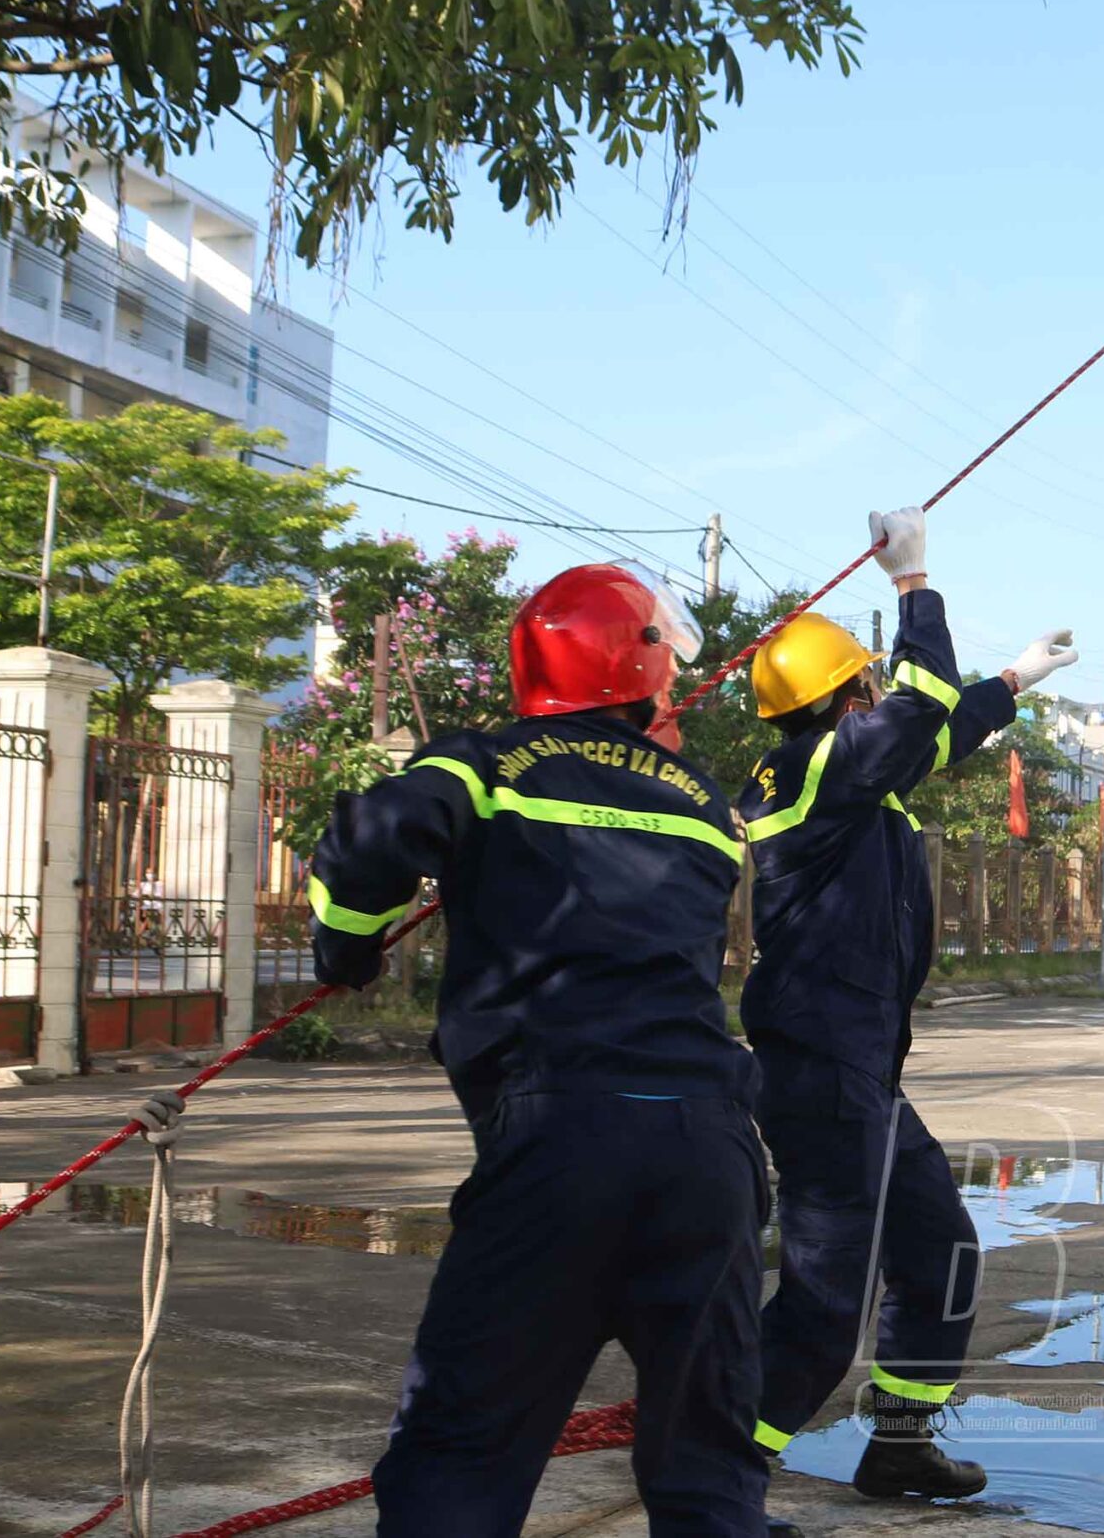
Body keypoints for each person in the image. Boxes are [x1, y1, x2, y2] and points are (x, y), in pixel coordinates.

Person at [306, 561, 771, 1538]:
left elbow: (370, 835)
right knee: (707, 1465)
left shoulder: (486, 764)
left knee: (463, 1454)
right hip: (707, 1153)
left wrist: (347, 944)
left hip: (560, 1143)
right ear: (637, 665)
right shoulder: (699, 795)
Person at [737, 507, 1077, 1505]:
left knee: (943, 1253)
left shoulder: (850, 779)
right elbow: (920, 710)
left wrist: (1013, 681)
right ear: (847, 694)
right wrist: (912, 583)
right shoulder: (812, 773)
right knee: (825, 1292)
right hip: (816, 1065)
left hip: (860, 1072)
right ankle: (721, 1465)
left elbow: (937, 727)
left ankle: (899, 1442)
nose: (883, 688)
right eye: (868, 682)